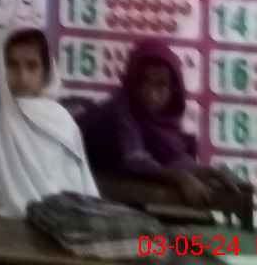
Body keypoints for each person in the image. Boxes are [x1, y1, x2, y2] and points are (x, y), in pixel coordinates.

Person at [0, 26, 99, 217]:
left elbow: (80, 187)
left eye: (32, 66)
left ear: (46, 71)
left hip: (58, 225)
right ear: (1, 67)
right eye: (12, 65)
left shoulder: (63, 122)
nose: (22, 76)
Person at [79, 39, 220, 208]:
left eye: (161, 85)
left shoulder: (163, 126)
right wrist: (180, 178)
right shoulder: (120, 109)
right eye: (143, 82)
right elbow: (136, 160)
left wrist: (207, 172)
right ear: (133, 83)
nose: (151, 94)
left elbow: (171, 159)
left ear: (174, 89)